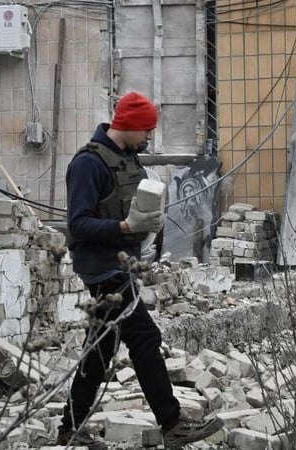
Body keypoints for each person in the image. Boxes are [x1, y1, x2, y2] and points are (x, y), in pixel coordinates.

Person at [59, 92, 223, 448]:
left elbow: (133, 210)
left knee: (101, 348)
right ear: (129, 125)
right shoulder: (88, 164)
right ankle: (172, 423)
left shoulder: (127, 158)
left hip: (122, 265)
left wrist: (149, 223)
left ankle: (70, 427)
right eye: (146, 130)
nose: (149, 137)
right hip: (103, 270)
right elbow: (78, 224)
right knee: (145, 338)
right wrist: (125, 227)